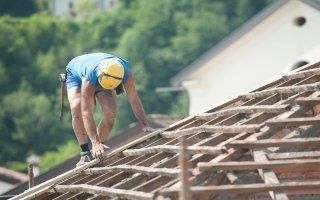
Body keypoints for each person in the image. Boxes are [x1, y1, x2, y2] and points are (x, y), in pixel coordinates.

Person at [65, 52, 154, 166]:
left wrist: (145, 124)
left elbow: (134, 99)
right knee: (77, 108)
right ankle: (85, 153)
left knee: (110, 112)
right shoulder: (89, 79)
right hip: (76, 74)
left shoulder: (125, 73)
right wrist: (95, 142)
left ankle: (96, 151)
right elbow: (86, 112)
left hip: (105, 77)